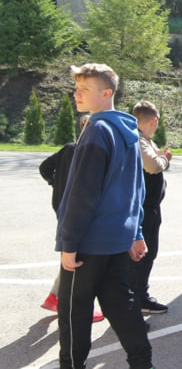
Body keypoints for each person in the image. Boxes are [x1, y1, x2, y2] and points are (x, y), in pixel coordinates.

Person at [55, 63, 152, 369]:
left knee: (74, 313)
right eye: (76, 88)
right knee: (121, 305)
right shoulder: (129, 131)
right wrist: (135, 232)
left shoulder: (97, 129)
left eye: (84, 89)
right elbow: (138, 188)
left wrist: (68, 243)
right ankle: (143, 363)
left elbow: (82, 195)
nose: (76, 94)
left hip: (88, 243)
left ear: (106, 93)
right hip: (116, 240)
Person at [39, 115, 104, 323]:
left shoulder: (68, 148)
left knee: (71, 252)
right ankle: (69, 303)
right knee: (79, 256)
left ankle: (55, 296)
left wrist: (54, 183)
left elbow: (44, 168)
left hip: (61, 206)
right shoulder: (84, 153)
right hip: (76, 208)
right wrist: (55, 183)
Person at [131, 101, 172, 314]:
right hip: (145, 208)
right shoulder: (139, 140)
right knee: (145, 253)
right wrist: (164, 159)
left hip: (148, 206)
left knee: (145, 254)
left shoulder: (143, 139)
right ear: (154, 121)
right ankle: (138, 299)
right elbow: (153, 165)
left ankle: (138, 296)